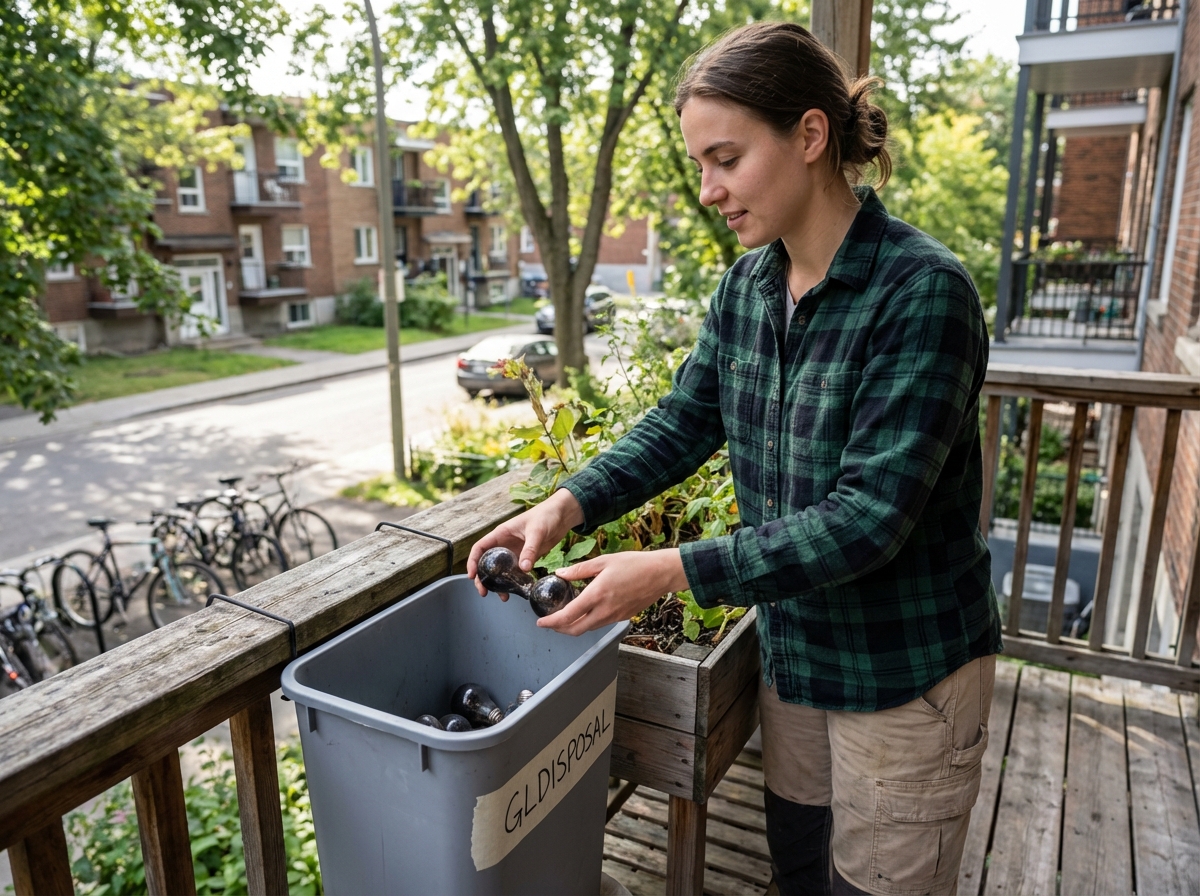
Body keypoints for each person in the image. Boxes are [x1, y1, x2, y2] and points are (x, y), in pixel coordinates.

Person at [468, 20, 1003, 896]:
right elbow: (684, 421)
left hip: (907, 676)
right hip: (798, 654)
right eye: (701, 165)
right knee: (798, 868)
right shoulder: (747, 286)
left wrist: (669, 570)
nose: (709, 191)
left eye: (727, 158)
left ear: (809, 135)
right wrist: (566, 504)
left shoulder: (923, 292)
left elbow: (867, 522)